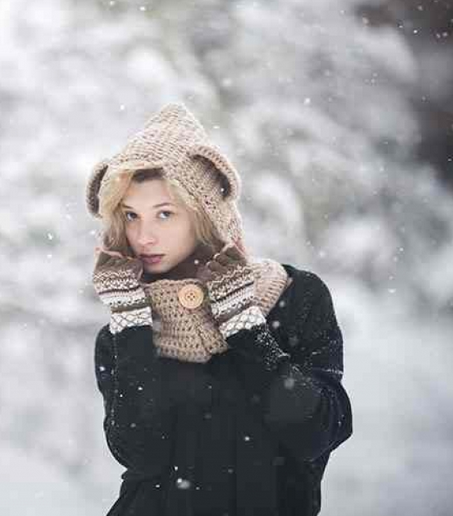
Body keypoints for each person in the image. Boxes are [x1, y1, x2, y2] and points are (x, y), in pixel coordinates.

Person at [86, 103, 352, 516]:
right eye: (131, 216)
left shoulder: (295, 296)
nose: (143, 235)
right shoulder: (122, 331)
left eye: (164, 214)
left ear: (205, 213)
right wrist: (133, 324)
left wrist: (244, 325)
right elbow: (140, 454)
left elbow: (317, 431)